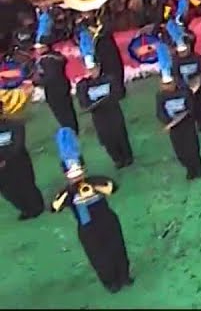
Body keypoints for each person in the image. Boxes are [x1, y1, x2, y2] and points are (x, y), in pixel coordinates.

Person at [50, 128, 133, 292]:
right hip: (87, 227)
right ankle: (110, 282)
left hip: (107, 220)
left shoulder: (96, 180)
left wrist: (94, 186)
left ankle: (124, 276)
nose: (77, 177)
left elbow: (112, 187)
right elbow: (54, 207)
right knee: (99, 257)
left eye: (78, 172)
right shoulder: (66, 192)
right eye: (72, 175)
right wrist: (70, 191)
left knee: (117, 249)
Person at [74, 29, 133, 168]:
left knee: (120, 134)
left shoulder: (109, 78)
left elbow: (117, 93)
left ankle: (127, 156)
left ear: (99, 67)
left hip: (113, 112)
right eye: (90, 70)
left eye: (94, 68)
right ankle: (117, 158)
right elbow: (84, 103)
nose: (92, 72)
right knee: (107, 138)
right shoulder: (83, 85)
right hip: (99, 116)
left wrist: (100, 102)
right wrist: (99, 102)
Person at [154, 45, 201, 180]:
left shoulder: (184, 91)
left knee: (192, 147)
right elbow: (160, 112)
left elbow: (191, 107)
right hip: (174, 126)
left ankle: (198, 167)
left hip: (186, 123)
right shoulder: (160, 96)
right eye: (165, 84)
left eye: (170, 83)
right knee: (180, 151)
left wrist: (186, 116)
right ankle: (188, 168)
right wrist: (167, 121)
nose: (168, 87)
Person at [30, 9, 76, 134]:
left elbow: (50, 77)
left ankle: (70, 131)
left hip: (55, 90)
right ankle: (72, 128)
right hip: (63, 86)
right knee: (68, 109)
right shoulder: (55, 55)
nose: (37, 51)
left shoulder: (47, 60)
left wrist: (37, 81)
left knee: (61, 113)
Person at [0, 95, 43, 220]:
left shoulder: (15, 125)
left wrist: (5, 160)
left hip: (18, 163)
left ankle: (36, 208)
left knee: (27, 185)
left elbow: (18, 145)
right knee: (8, 192)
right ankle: (25, 208)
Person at [167, 16, 201, 131]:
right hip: (186, 87)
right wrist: (183, 85)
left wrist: (198, 83)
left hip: (199, 86)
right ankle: (199, 123)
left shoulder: (197, 58)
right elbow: (176, 75)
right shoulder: (176, 61)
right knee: (192, 106)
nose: (184, 52)